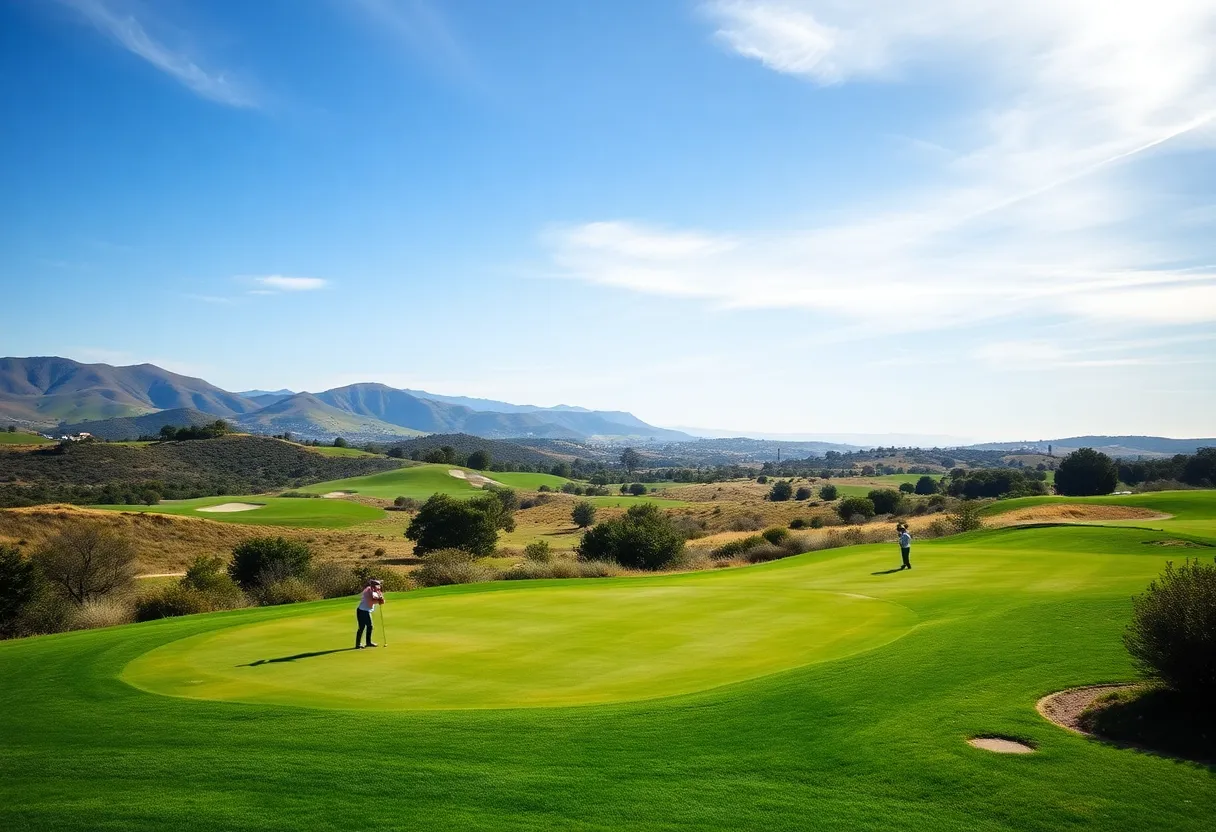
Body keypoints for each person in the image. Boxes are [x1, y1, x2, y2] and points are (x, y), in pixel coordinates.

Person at [355, 579, 384, 649]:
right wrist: (378, 601)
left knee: (367, 627)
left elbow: (381, 600)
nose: (378, 587)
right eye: (377, 585)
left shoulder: (376, 590)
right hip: (362, 611)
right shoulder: (367, 591)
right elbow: (370, 602)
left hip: (366, 610)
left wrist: (381, 599)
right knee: (365, 627)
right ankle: (360, 644)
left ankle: (367, 643)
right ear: (373, 586)